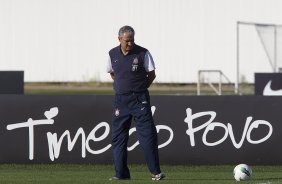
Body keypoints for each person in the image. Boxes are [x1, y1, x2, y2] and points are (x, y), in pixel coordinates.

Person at [106, 25, 165, 181]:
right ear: (119, 39)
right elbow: (113, 73)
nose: (129, 44)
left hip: (139, 99)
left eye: (131, 40)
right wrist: (122, 85)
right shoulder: (112, 54)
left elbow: (151, 74)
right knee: (118, 137)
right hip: (120, 100)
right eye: (126, 41)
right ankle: (121, 174)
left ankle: (155, 172)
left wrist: (139, 87)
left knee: (147, 135)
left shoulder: (143, 53)